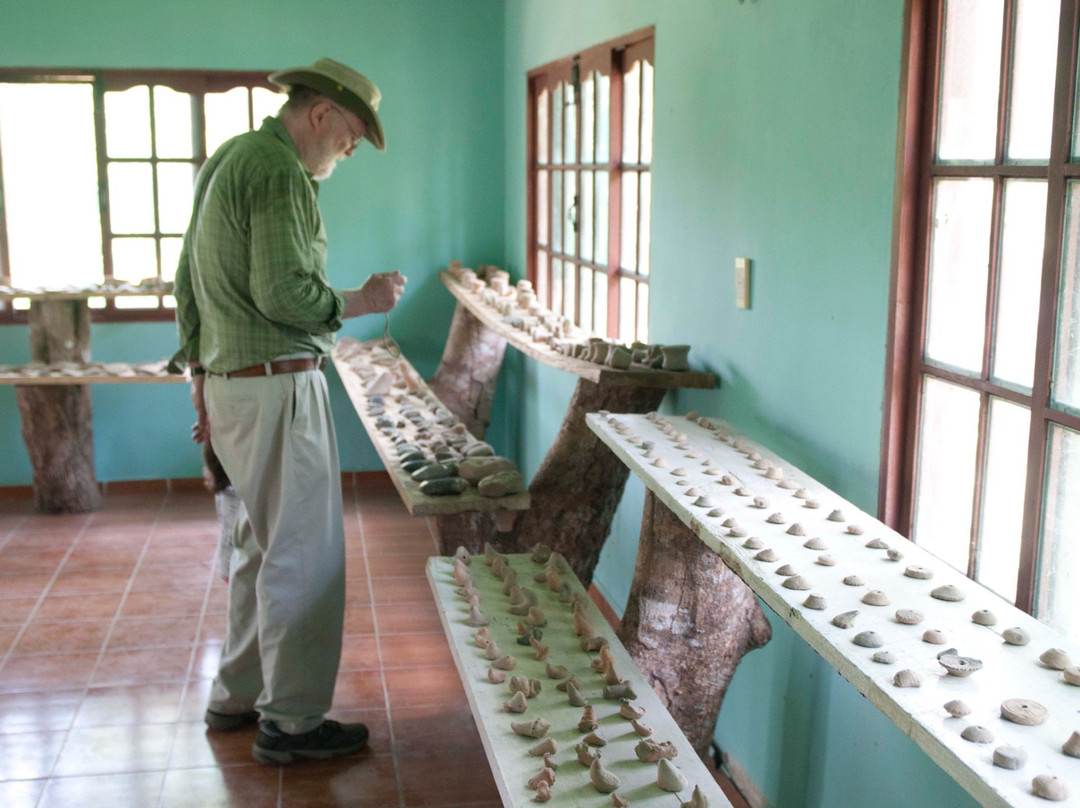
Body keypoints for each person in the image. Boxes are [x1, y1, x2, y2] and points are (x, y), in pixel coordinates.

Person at [171, 57, 406, 765]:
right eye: (353, 133)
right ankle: (294, 722)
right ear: (321, 114)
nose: (352, 149)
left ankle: (236, 694)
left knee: (255, 547)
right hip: (277, 385)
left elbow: (187, 280)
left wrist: (200, 379)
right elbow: (281, 295)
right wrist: (364, 300)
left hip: (232, 383)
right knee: (303, 557)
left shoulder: (229, 159)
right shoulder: (279, 173)